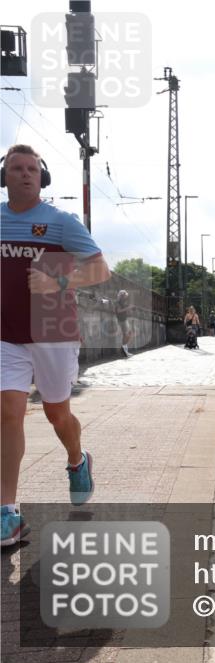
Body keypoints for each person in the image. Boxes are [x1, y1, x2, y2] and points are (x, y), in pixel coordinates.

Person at [1, 144, 110, 546]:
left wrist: (57, 282)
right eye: (17, 168)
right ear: (5, 175)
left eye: (32, 169)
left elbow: (100, 268)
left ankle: (77, 461)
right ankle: (7, 512)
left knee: (56, 414)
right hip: (6, 334)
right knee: (8, 412)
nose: (25, 174)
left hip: (53, 332)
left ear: (42, 178)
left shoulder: (61, 223)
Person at [115, 289, 134, 357]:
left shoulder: (123, 302)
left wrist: (128, 310)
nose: (126, 297)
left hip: (124, 319)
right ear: (122, 296)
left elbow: (123, 310)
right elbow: (119, 311)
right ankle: (124, 351)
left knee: (128, 334)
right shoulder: (118, 302)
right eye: (125, 296)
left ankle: (124, 350)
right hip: (121, 320)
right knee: (126, 334)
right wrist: (128, 308)